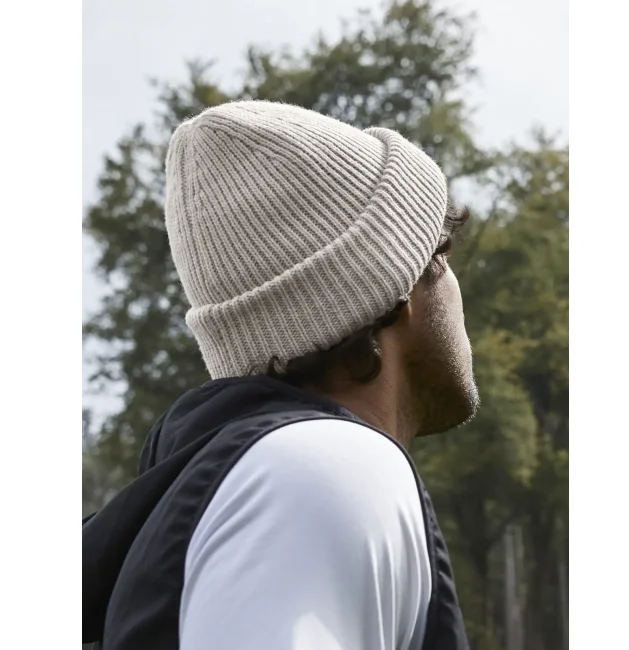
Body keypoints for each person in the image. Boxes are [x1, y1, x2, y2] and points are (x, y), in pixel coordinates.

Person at [83, 101, 479, 650]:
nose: (457, 289)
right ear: (403, 290)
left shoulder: (220, 492)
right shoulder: (323, 470)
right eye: (444, 254)